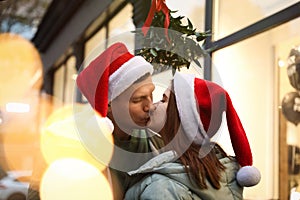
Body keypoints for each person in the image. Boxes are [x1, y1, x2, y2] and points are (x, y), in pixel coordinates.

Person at [124, 72, 261, 200]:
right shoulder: (222, 173)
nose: (152, 106)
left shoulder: (161, 189)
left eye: (163, 100)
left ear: (179, 117)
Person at [76, 42, 165, 199]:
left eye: (151, 94)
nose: (150, 106)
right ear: (109, 104)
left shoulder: (157, 144)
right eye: (138, 99)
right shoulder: (73, 149)